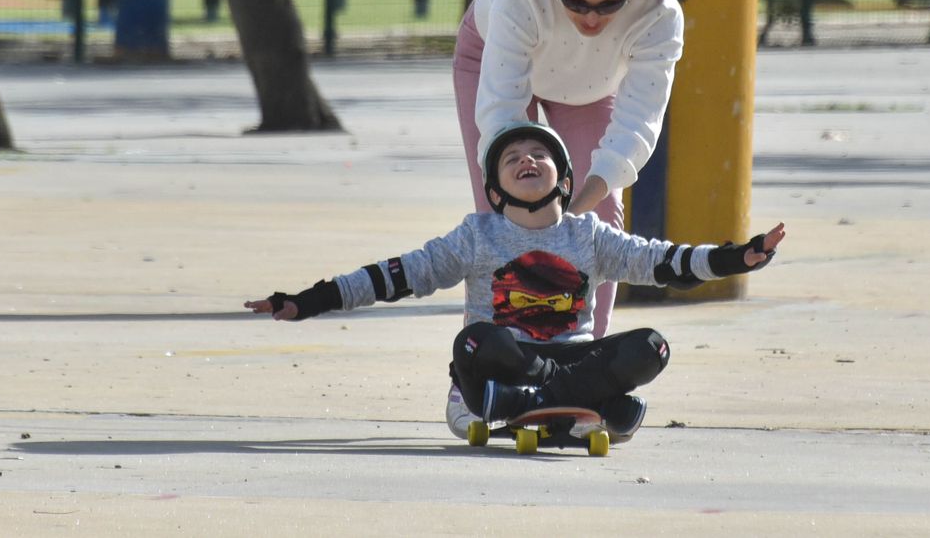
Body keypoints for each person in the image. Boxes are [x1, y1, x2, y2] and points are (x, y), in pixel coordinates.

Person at [245, 122, 785, 442]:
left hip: (573, 356)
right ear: (496, 190)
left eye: (540, 155)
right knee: (478, 340)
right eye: (511, 159)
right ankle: (587, 406)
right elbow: (395, 276)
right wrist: (307, 301)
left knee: (653, 345)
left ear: (565, 180)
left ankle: (524, 403)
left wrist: (740, 258)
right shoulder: (477, 235)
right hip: (502, 356)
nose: (527, 159)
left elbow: (665, 262)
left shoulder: (590, 235)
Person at [454, 0, 685, 342]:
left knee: (598, 221)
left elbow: (636, 126)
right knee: (500, 222)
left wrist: (571, 217)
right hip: (490, 60)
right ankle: (480, 366)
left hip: (588, 88)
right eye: (576, 3)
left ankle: (584, 363)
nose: (591, 20)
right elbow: (502, 113)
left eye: (607, 5)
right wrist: (528, 215)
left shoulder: (660, 14)